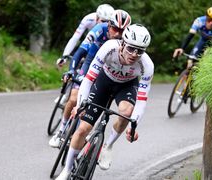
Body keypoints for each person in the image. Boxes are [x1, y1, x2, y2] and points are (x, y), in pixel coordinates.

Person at [55, 24, 154, 180]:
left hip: (126, 86)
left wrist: (133, 125)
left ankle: (108, 145)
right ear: (122, 43)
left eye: (140, 51)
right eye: (131, 48)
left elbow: (142, 100)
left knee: (127, 112)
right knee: (83, 128)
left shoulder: (147, 65)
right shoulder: (109, 48)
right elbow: (88, 79)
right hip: (104, 81)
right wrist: (81, 105)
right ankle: (66, 170)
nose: (135, 54)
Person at [49, 10, 132, 148]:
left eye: (122, 31)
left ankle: (82, 136)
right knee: (74, 97)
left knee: (96, 102)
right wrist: (71, 70)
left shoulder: (126, 39)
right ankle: (61, 130)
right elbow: (81, 52)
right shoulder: (99, 29)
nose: (118, 34)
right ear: (109, 25)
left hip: (106, 70)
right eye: (115, 29)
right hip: (90, 61)